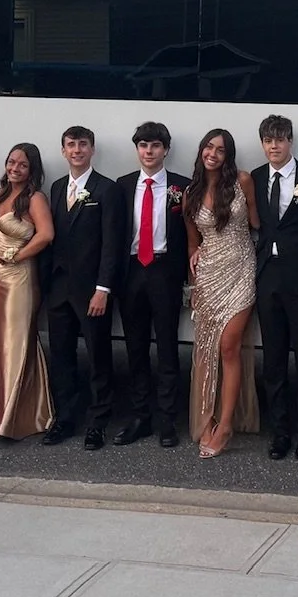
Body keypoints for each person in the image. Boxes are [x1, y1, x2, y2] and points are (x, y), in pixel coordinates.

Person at [41, 126, 120, 449]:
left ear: (92, 149)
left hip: (92, 291)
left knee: (99, 356)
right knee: (61, 356)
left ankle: (98, 422)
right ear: (63, 151)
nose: (77, 150)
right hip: (59, 289)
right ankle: (65, 419)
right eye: (71, 145)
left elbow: (111, 245)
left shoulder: (107, 189)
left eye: (82, 144)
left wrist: (103, 288)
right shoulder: (58, 188)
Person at [253, 114, 298, 462]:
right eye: (268, 140)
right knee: (273, 359)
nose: (274, 146)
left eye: (280, 140)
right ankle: (279, 431)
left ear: (290, 142)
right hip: (268, 276)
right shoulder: (255, 177)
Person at [113, 123, 191, 449]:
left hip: (164, 271)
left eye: (155, 146)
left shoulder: (182, 187)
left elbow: (190, 232)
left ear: (166, 150)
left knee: (168, 348)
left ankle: (168, 420)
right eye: (143, 145)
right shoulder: (122, 185)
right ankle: (140, 417)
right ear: (137, 150)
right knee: (135, 347)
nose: (149, 152)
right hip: (132, 271)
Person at [185, 127, 260, 459]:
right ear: (201, 151)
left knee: (229, 345)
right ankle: (208, 416)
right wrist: (194, 256)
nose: (212, 154)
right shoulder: (190, 192)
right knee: (207, 350)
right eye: (208, 147)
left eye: (220, 149)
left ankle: (226, 424)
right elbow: (193, 240)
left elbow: (258, 223)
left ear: (228, 156)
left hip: (241, 270)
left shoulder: (242, 181)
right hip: (209, 275)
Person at [0, 143, 54, 441]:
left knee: (16, 345)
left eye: (22, 164)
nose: (15, 168)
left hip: (20, 279)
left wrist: (17, 257)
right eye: (11, 162)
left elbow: (46, 235)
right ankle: (5, 410)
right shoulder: (1, 195)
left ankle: (14, 419)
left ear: (32, 170)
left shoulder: (34, 199)